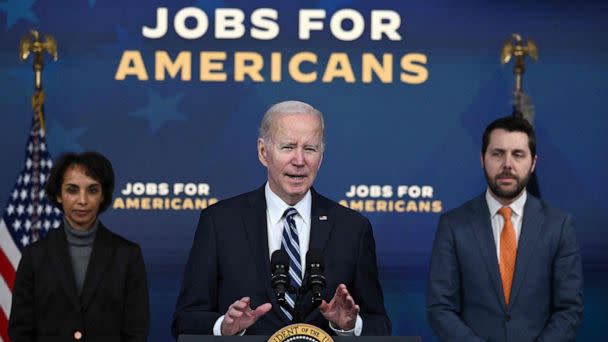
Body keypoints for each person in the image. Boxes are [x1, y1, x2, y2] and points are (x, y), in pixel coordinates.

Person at [172, 100, 391, 337]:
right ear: (263, 152)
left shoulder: (353, 228)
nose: (299, 160)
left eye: (310, 149)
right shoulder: (220, 222)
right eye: (288, 147)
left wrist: (349, 325)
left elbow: (379, 325)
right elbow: (186, 320)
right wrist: (225, 327)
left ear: (322, 156)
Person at [427, 116, 583, 341]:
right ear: (482, 159)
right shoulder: (453, 225)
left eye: (518, 154)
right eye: (497, 153)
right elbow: (440, 308)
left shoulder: (559, 226)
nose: (507, 164)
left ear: (533, 162)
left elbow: (569, 309)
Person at [9, 151, 149, 341]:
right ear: (59, 195)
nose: (82, 200)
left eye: (92, 190)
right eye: (72, 190)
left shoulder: (128, 255)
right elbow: (21, 332)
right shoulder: (34, 256)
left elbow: (136, 332)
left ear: (103, 195)